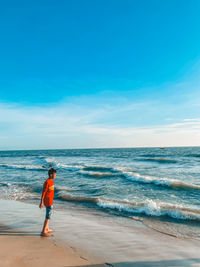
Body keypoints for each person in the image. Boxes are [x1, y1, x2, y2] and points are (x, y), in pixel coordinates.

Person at [39, 167, 56, 237]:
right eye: (55, 174)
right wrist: (41, 202)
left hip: (50, 201)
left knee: (49, 215)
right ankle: (43, 231)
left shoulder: (51, 181)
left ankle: (47, 228)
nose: (55, 175)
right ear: (51, 175)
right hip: (48, 202)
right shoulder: (47, 182)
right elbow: (43, 193)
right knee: (48, 216)